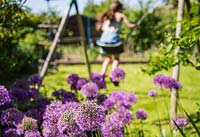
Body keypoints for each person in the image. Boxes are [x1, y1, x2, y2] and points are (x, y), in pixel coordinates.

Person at [96, 1, 137, 78]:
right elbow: (129, 25)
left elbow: (102, 28)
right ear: (120, 9)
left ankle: (102, 73)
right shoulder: (120, 15)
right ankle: (113, 74)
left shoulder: (107, 15)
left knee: (108, 57)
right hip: (113, 40)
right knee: (116, 58)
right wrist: (135, 25)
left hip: (104, 40)